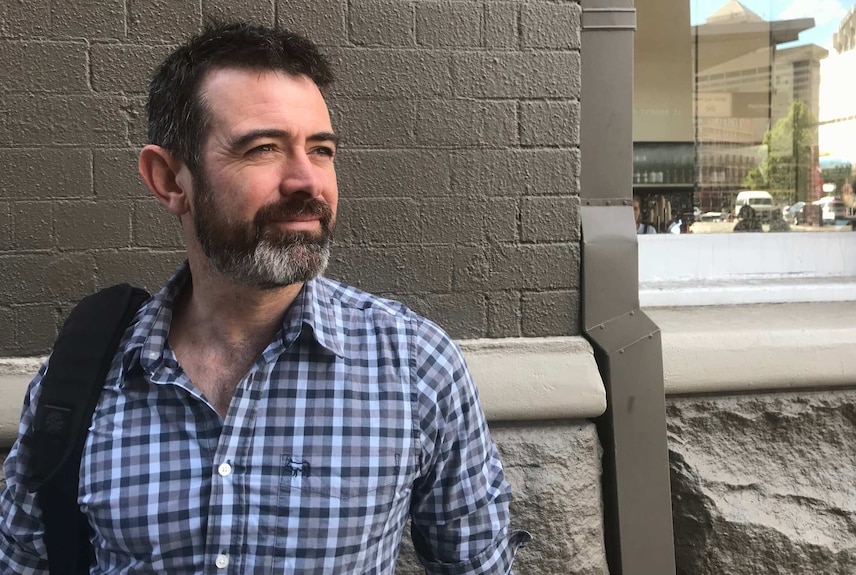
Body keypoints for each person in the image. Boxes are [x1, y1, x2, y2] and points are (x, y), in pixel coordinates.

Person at [0, 23, 529, 574]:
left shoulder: (415, 366)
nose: (307, 181)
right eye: (263, 148)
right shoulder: (82, 378)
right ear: (169, 180)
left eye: (321, 151)